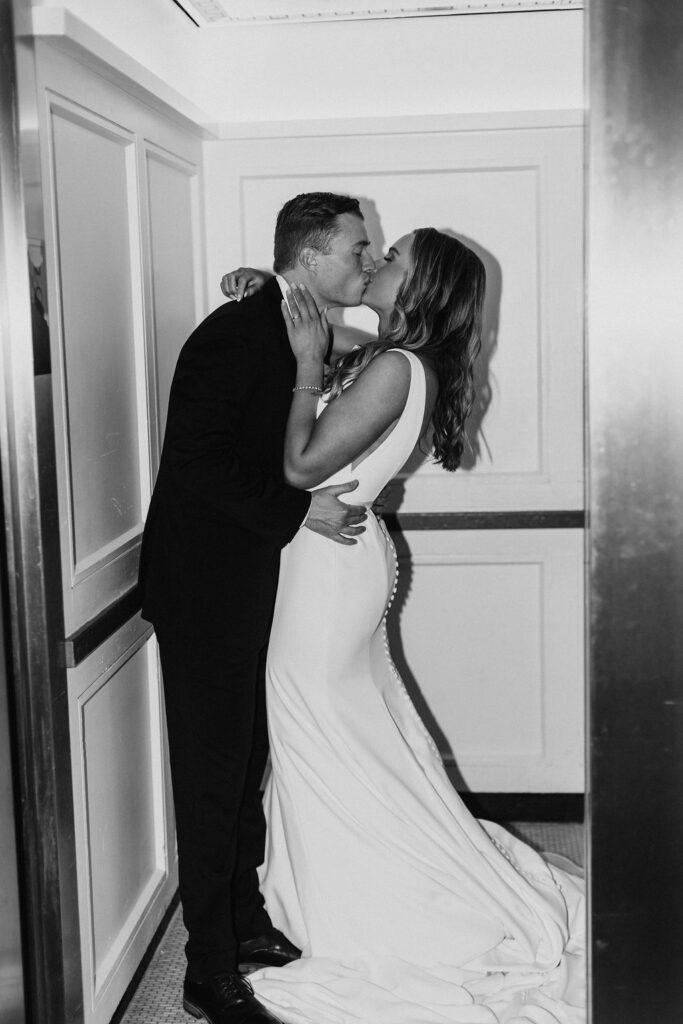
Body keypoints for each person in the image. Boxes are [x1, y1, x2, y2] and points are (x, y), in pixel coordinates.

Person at [221, 229, 585, 1024]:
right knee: (347, 739)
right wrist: (269, 286)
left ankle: (360, 915)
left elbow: (299, 467)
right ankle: (317, 897)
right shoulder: (391, 354)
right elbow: (311, 322)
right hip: (337, 564)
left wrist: (311, 369)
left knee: (316, 737)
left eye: (392, 260)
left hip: (328, 579)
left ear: (417, 290)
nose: (375, 262)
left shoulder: (392, 367)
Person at [138, 192, 378, 1024]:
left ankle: (242, 924)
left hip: (248, 581)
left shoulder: (292, 325)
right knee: (213, 776)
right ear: (309, 257)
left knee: (244, 763)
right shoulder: (230, 333)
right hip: (204, 586)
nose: (367, 260)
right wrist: (298, 510)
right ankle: (207, 968)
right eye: (356, 248)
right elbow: (196, 464)